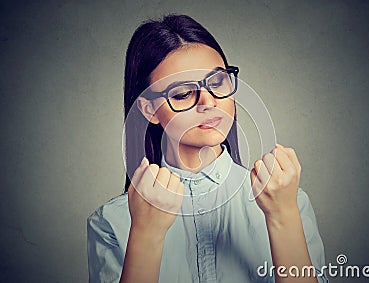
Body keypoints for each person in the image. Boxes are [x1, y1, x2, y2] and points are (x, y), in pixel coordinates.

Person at [87, 14, 329, 283]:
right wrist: (146, 236)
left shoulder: (285, 199)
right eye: (182, 94)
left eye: (217, 83)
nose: (209, 102)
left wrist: (283, 216)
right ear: (149, 109)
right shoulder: (111, 222)